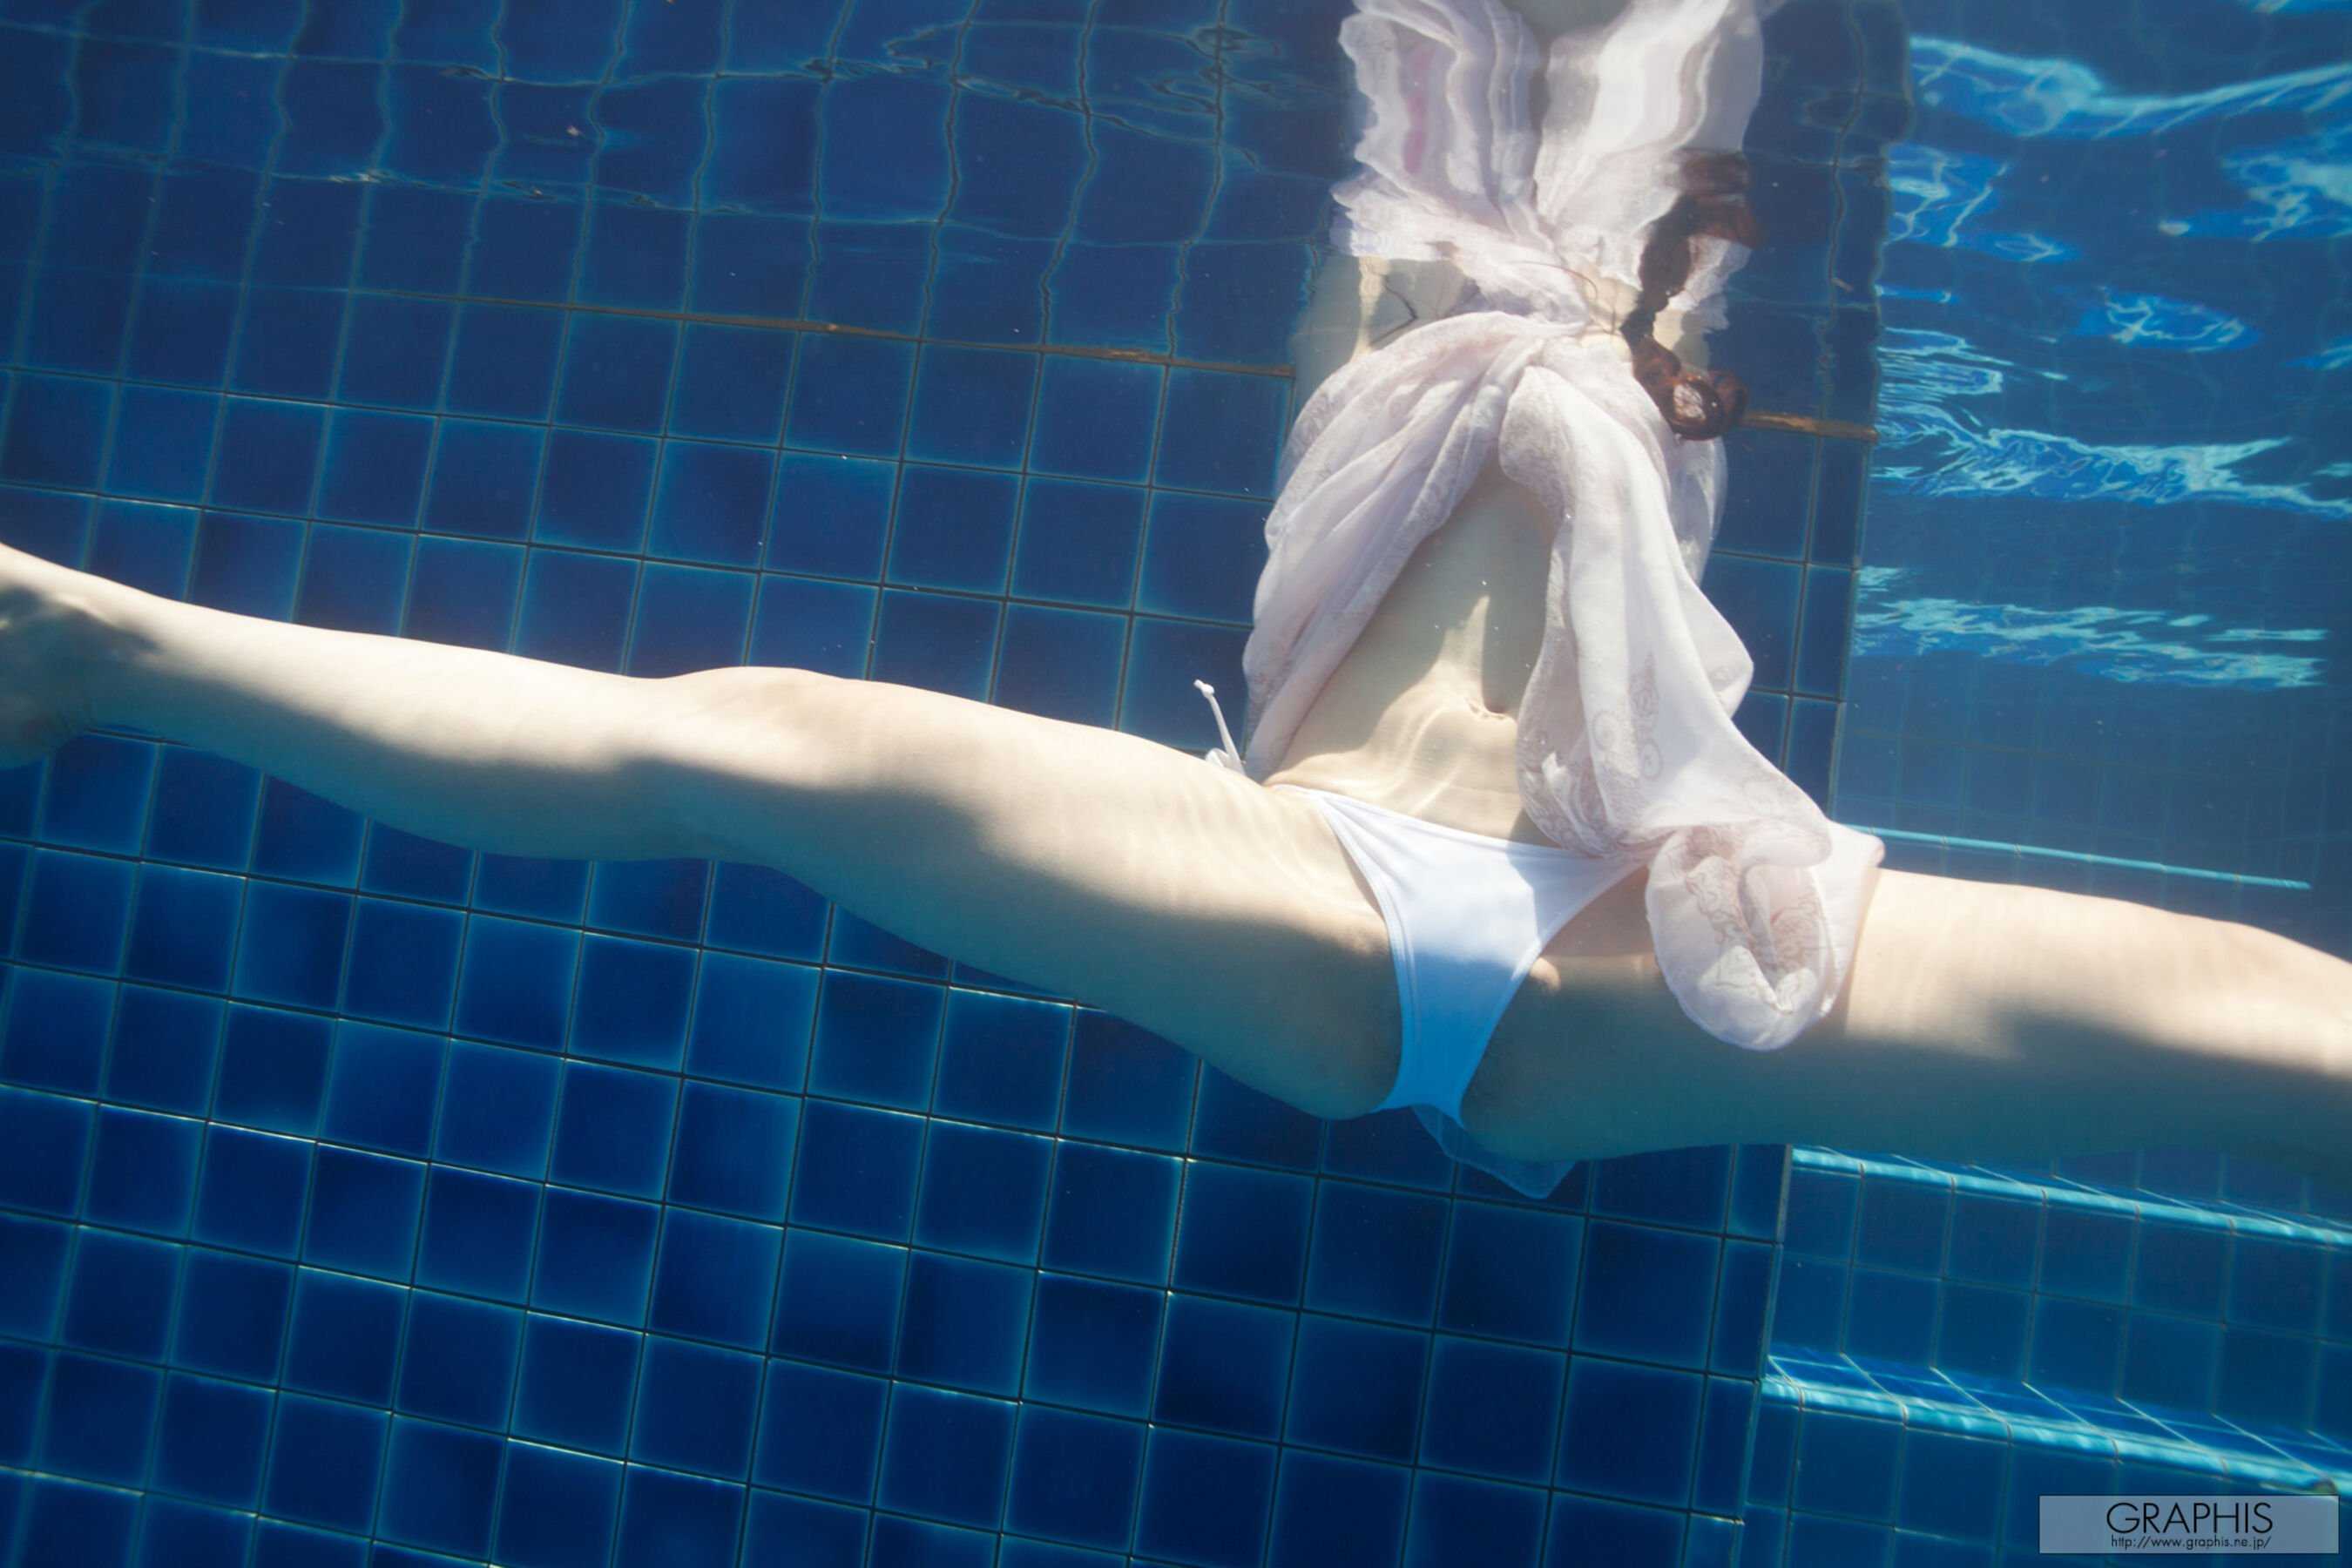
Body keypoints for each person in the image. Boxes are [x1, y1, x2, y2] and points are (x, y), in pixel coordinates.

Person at [4, 0, 2346, 1198]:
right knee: (738, 738)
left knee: (2272, 1026)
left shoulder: (1579, 287)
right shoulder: (1465, 275)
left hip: (1647, 935)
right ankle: (104, 648)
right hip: (1314, 888)